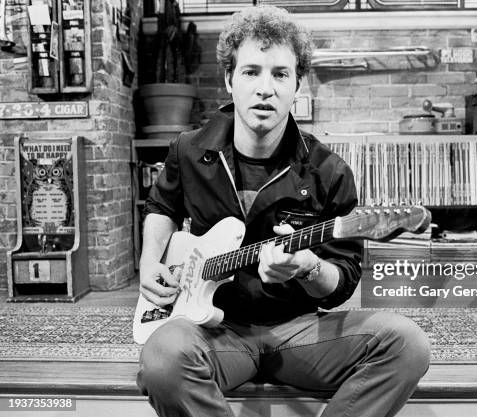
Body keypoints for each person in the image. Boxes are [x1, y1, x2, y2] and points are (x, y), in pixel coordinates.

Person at [136, 6, 431, 417]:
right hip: (213, 331)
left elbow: (342, 282)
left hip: (299, 330)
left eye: (280, 74)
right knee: (163, 358)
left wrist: (308, 268)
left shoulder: (329, 171)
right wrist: (151, 259)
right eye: (251, 71)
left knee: (406, 343)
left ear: (297, 85)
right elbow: (161, 206)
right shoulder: (188, 149)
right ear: (229, 79)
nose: (265, 88)